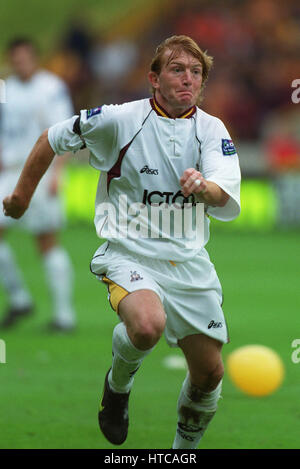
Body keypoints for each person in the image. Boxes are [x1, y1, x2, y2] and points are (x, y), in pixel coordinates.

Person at [3, 35, 241, 448]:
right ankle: (117, 388)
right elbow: (52, 137)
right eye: (177, 69)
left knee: (210, 374)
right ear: (153, 78)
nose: (188, 79)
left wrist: (204, 187)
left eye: (196, 72)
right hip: (127, 251)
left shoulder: (211, 129)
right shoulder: (119, 120)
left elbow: (223, 190)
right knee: (147, 326)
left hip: (188, 262)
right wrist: (22, 195)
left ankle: (182, 454)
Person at [0, 38, 76, 331]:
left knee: (46, 240)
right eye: (15, 59)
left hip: (42, 169)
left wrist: (58, 174)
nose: (20, 64)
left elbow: (63, 132)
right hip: (9, 170)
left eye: (24, 58)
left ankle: (64, 316)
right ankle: (20, 298)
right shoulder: (7, 89)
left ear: (35, 58)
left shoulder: (51, 87)